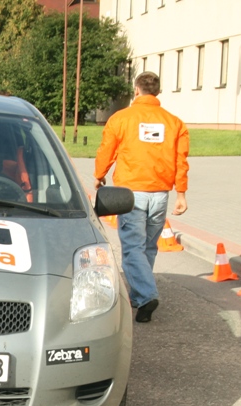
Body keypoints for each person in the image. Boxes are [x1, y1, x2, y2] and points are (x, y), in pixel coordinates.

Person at [94, 71, 189, 323]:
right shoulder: (174, 122)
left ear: (136, 90)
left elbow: (107, 150)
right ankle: (139, 296)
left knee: (132, 247)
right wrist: (181, 193)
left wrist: (98, 175)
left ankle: (146, 295)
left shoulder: (121, 118)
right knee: (147, 246)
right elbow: (181, 161)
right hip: (160, 194)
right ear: (157, 91)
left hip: (131, 194)